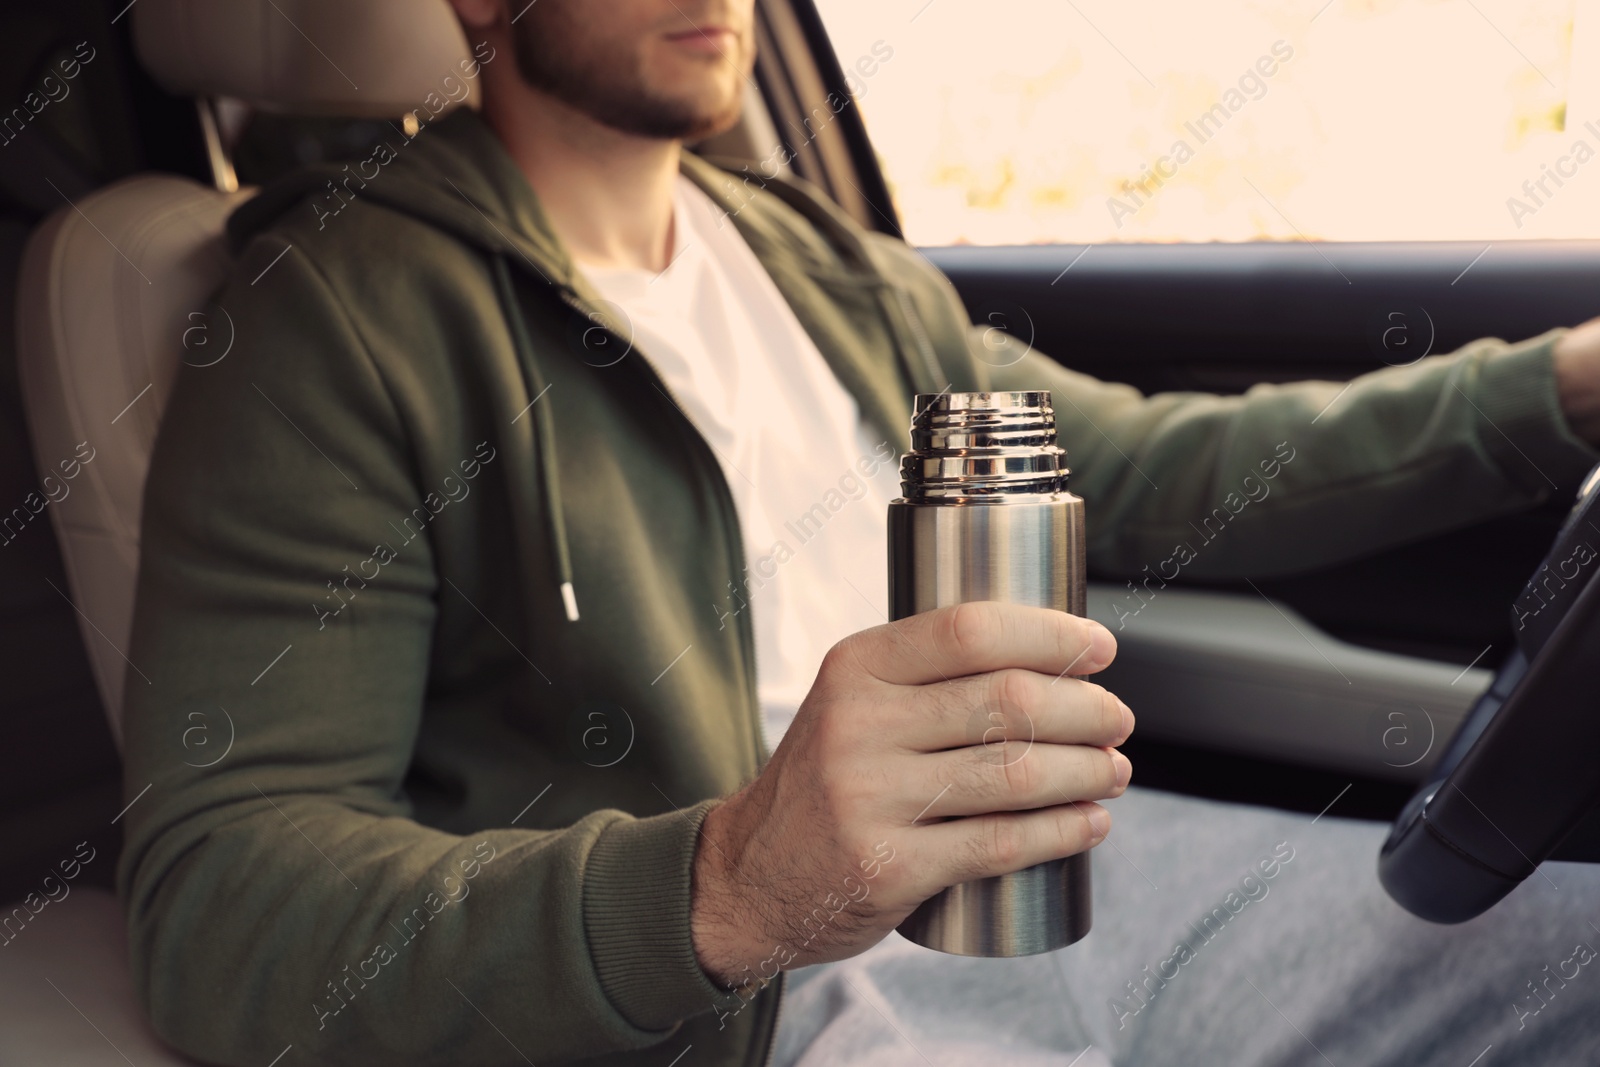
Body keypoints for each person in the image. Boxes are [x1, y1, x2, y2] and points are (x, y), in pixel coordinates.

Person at [115, 1, 1600, 1065]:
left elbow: (1162, 463)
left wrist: (1558, 388)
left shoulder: (820, 261)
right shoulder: (337, 314)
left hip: (1079, 878)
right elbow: (223, 895)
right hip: (763, 998)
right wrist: (729, 883)